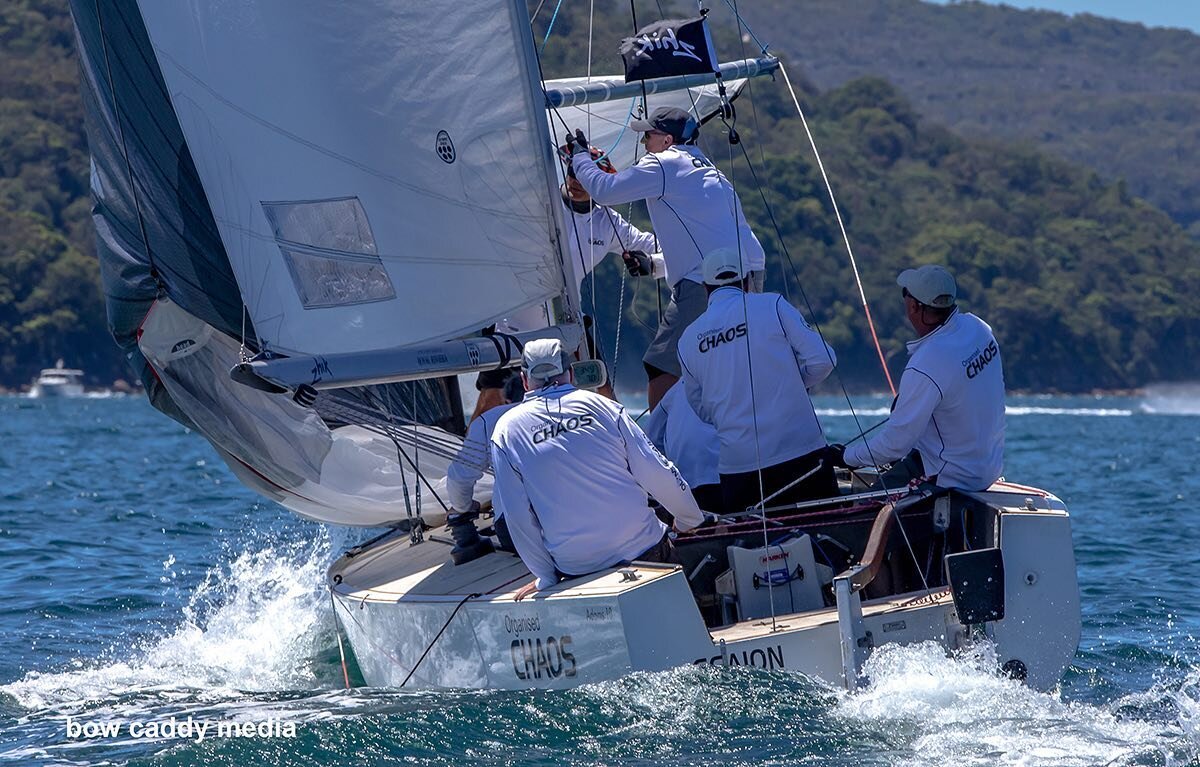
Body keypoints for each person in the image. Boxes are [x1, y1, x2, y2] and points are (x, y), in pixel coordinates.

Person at [567, 107, 766, 410]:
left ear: (667, 140)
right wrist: (654, 264)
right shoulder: (709, 169)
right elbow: (705, 240)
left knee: (661, 366)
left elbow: (605, 191)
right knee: (716, 365)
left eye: (649, 134)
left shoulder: (662, 164)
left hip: (707, 285)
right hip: (750, 277)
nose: (644, 141)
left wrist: (579, 157)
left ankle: (661, 447)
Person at [490, 338, 705, 600]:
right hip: (646, 553)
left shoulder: (506, 432)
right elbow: (656, 469)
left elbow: (517, 516)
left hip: (578, 572)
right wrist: (688, 518)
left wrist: (546, 577)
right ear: (569, 373)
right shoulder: (603, 407)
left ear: (525, 381)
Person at [678, 249, 838, 514]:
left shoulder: (687, 340)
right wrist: (795, 386)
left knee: (751, 551)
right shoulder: (772, 305)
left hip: (738, 469)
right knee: (826, 542)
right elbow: (824, 360)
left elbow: (702, 409)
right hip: (800, 454)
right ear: (748, 280)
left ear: (705, 288)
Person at [833, 265, 1005, 491]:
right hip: (987, 468)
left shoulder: (926, 364)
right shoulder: (979, 327)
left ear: (913, 306)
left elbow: (894, 446)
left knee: (860, 508)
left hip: (952, 477)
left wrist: (845, 456)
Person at [445, 372, 525, 563]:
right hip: (581, 517)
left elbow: (459, 478)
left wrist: (462, 507)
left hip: (516, 533)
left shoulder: (489, 421)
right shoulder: (580, 406)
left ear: (506, 400)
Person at [642, 380, 722, 513]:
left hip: (684, 484)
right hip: (730, 476)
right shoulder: (735, 383)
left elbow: (650, 439)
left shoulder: (677, 389)